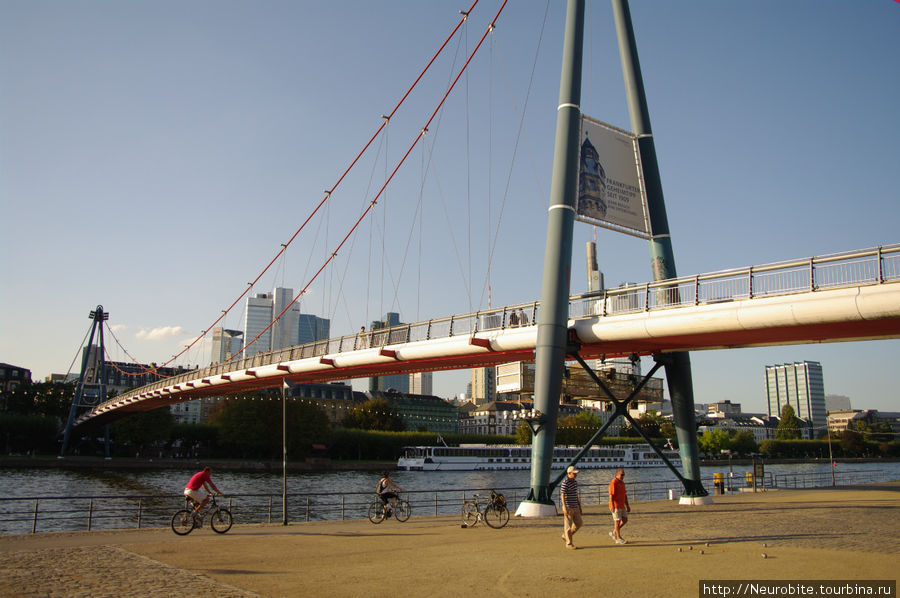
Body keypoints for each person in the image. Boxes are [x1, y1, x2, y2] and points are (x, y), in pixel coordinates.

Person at [560, 465, 582, 549]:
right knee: (568, 526)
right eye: (574, 473)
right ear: (569, 473)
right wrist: (564, 507)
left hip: (575, 506)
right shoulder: (565, 483)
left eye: (576, 473)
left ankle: (565, 536)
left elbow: (576, 494)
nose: (576, 475)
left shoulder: (575, 482)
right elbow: (562, 495)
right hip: (568, 506)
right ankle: (569, 543)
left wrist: (579, 506)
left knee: (579, 523)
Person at [608, 468, 631, 544]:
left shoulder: (622, 483)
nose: (623, 476)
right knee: (617, 522)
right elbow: (611, 495)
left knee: (625, 519)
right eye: (622, 475)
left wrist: (627, 505)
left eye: (624, 475)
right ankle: (618, 538)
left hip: (622, 505)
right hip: (616, 505)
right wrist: (612, 506)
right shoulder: (613, 483)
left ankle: (614, 532)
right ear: (617, 474)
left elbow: (625, 494)